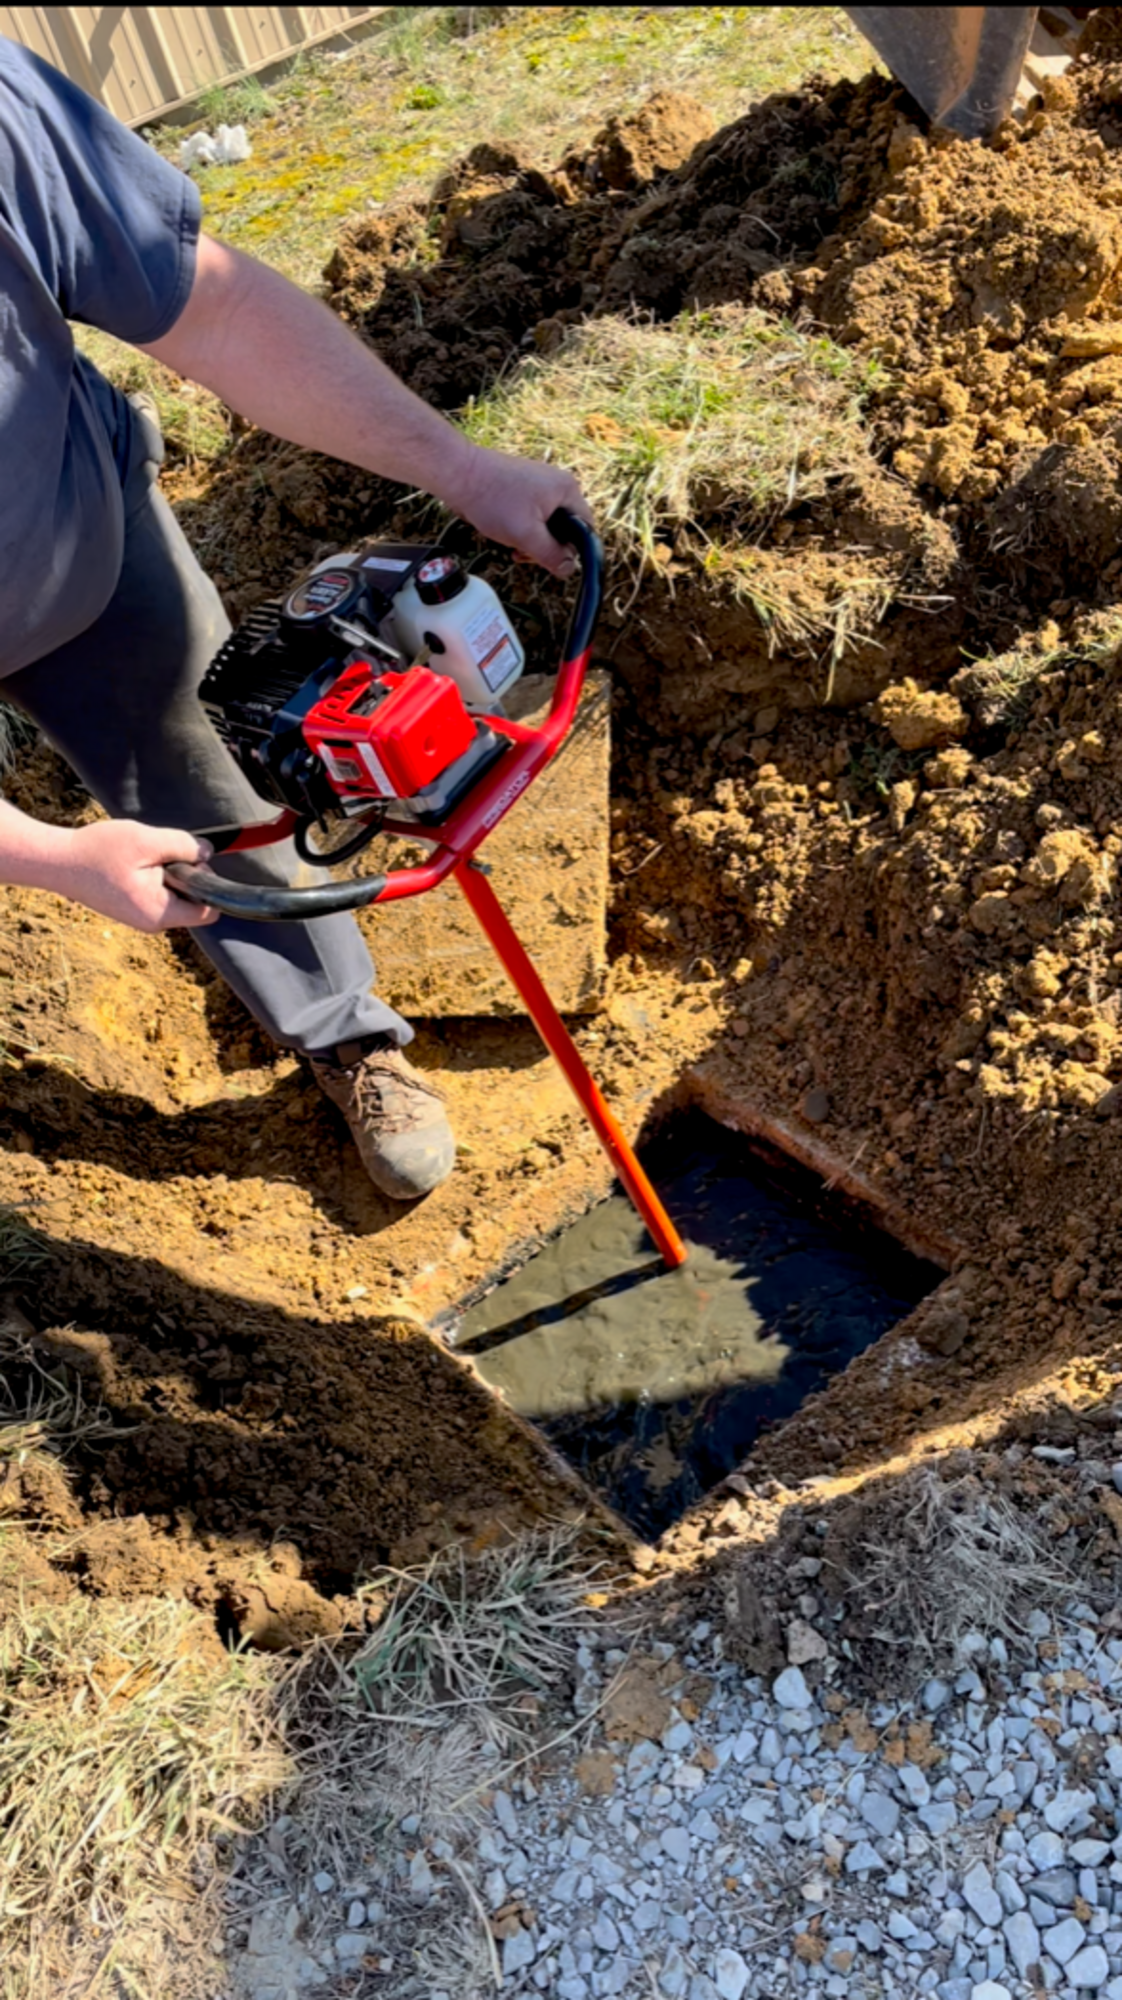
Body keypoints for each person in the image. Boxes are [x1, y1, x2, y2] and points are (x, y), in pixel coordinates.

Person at [0, 36, 591, 1202]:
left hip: (75, 533)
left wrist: (464, 470)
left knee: (213, 768)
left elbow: (218, 313)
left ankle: (342, 1028)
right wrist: (52, 860)